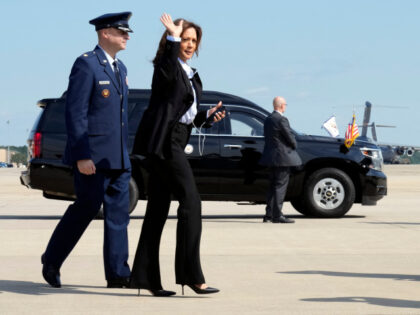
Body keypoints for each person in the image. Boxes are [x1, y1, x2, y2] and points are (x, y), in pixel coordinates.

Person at [130, 13, 224, 297]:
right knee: (191, 201)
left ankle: (146, 279)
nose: (190, 44)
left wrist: (206, 117)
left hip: (176, 138)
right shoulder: (166, 66)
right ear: (174, 41)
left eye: (194, 40)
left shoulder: (191, 73)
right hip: (165, 144)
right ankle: (191, 276)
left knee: (158, 207)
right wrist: (172, 36)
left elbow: (184, 115)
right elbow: (168, 69)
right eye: (185, 39)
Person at [41, 12, 133, 288]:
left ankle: (118, 274)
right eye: (121, 31)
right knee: (86, 209)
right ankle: (52, 260)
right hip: (92, 157)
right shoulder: (86, 65)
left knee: (118, 217)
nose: (127, 36)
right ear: (105, 33)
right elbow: (76, 112)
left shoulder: (121, 69)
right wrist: (82, 155)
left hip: (117, 156)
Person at [259, 96, 302, 223]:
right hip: (282, 158)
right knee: (280, 187)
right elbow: (289, 137)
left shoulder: (268, 119)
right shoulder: (282, 119)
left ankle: (268, 215)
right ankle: (277, 215)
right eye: (285, 105)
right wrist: (294, 144)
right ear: (282, 105)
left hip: (271, 158)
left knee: (272, 187)